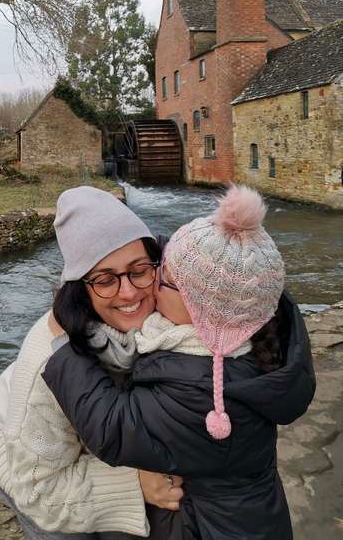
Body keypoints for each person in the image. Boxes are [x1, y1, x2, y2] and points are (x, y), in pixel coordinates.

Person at [43, 184, 316, 540]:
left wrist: (63, 347)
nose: (152, 282)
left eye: (166, 278)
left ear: (201, 312)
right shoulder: (252, 328)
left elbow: (111, 427)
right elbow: (218, 277)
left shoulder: (206, 395)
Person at [0, 186, 184, 539]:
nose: (129, 292)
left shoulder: (168, 306)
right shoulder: (47, 362)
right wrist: (136, 483)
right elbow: (40, 493)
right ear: (81, 289)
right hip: (30, 467)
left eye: (139, 270)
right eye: (105, 280)